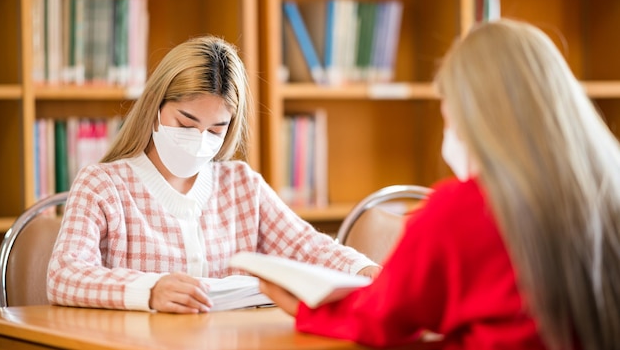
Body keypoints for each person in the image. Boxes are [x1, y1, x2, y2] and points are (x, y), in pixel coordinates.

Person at [260, 19, 620, 350]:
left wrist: (309, 309)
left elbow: (380, 317)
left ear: (473, 118)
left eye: (449, 116)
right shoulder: (607, 187)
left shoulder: (466, 208)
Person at [47, 35, 379, 314]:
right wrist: (149, 291)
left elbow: (306, 246)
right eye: (186, 124)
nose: (199, 140)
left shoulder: (241, 184)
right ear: (154, 109)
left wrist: (364, 271)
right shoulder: (103, 185)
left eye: (216, 129)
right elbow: (64, 274)